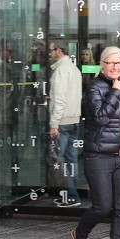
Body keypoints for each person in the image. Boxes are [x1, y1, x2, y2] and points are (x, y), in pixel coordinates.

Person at [71, 46, 120, 239]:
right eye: (111, 63)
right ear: (102, 64)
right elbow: (99, 119)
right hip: (99, 155)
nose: (115, 67)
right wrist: (115, 93)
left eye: (119, 63)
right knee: (102, 206)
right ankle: (80, 234)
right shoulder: (94, 88)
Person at [48, 40, 83, 207]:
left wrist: (54, 123)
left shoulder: (61, 70)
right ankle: (71, 194)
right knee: (71, 160)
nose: (50, 53)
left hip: (63, 121)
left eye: (51, 50)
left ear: (59, 51)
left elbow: (61, 100)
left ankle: (70, 196)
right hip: (74, 119)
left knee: (60, 160)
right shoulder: (74, 69)